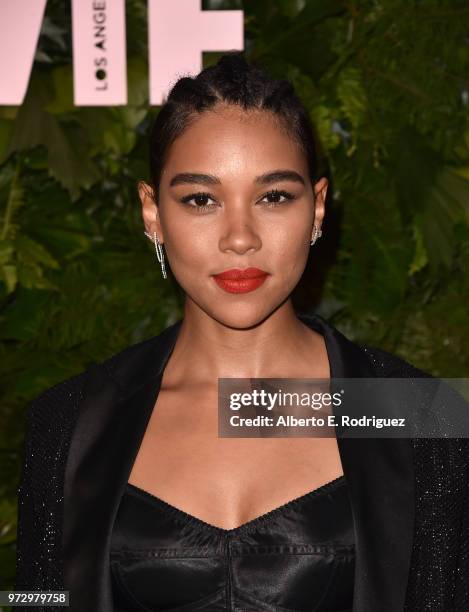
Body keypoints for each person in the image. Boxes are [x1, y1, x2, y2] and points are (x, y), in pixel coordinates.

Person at [15, 54, 469, 612]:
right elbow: (35, 598)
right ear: (152, 212)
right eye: (200, 199)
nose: (239, 238)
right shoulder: (67, 423)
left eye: (273, 196)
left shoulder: (419, 414)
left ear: (318, 207)